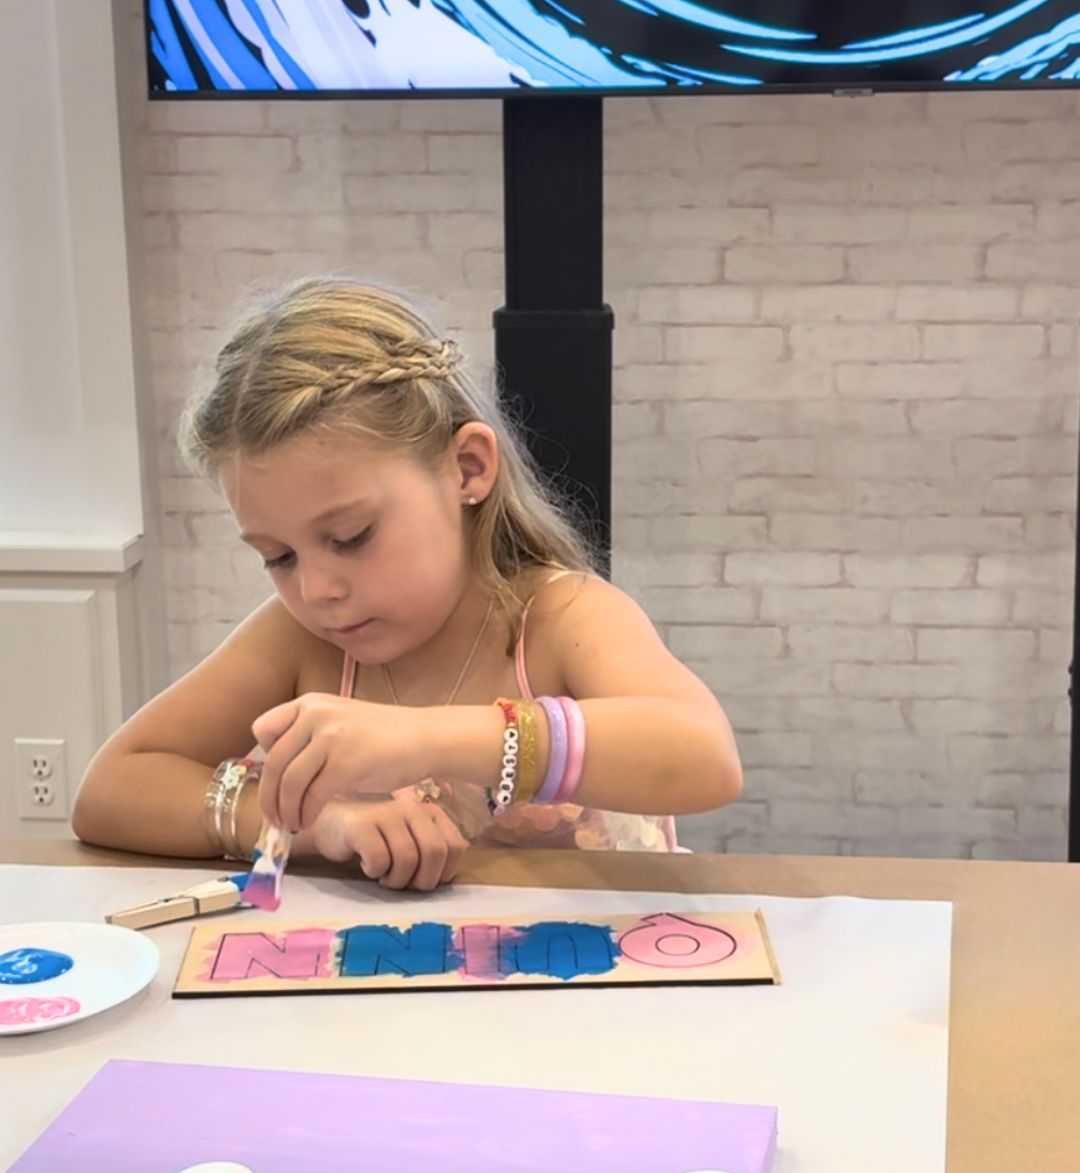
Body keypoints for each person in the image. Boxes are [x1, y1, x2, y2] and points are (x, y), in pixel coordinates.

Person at [73, 278, 742, 891]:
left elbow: (704, 756)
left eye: (352, 536)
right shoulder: (298, 641)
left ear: (467, 469)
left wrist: (422, 739)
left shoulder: (562, 615)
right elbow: (112, 787)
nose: (318, 590)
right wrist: (313, 827)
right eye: (278, 557)